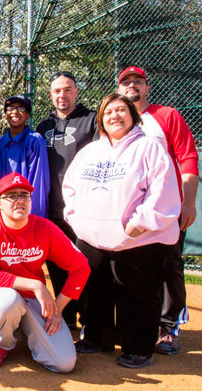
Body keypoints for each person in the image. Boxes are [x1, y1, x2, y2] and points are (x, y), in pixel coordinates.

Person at [63, 93, 181, 368]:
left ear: (132, 115)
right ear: (101, 120)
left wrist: (139, 223)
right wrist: (75, 218)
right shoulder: (90, 151)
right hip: (92, 237)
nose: (114, 116)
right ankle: (96, 337)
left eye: (121, 110)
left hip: (137, 240)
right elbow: (69, 187)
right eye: (108, 112)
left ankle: (139, 347)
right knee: (95, 290)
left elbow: (162, 189)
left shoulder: (149, 146)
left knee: (137, 294)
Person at [116, 66, 199, 355]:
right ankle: (135, 323)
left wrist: (188, 201)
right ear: (119, 90)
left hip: (166, 207)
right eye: (126, 82)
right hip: (129, 210)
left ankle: (167, 328)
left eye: (138, 81)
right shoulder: (118, 120)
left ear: (147, 88)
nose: (132, 85)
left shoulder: (166, 116)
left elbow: (188, 158)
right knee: (129, 267)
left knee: (169, 265)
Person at [0, 173, 89, 372]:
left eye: (24, 195)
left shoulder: (45, 228)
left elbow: (81, 267)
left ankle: (26, 328)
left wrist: (57, 309)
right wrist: (35, 284)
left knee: (64, 363)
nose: (19, 201)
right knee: (7, 302)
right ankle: (3, 343)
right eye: (12, 196)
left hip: (33, 301)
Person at [36, 71, 98, 329]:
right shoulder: (43, 126)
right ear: (51, 95)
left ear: (76, 91)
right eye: (57, 91)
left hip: (82, 210)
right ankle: (67, 317)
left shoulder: (91, 120)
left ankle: (90, 320)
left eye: (67, 89)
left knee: (84, 265)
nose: (62, 95)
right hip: (52, 210)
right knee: (58, 266)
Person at [0, 94, 49, 217]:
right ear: (5, 114)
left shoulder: (34, 141)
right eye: (11, 108)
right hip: (3, 210)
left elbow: (38, 182)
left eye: (21, 109)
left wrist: (33, 217)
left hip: (24, 211)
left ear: (28, 115)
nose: (15, 112)